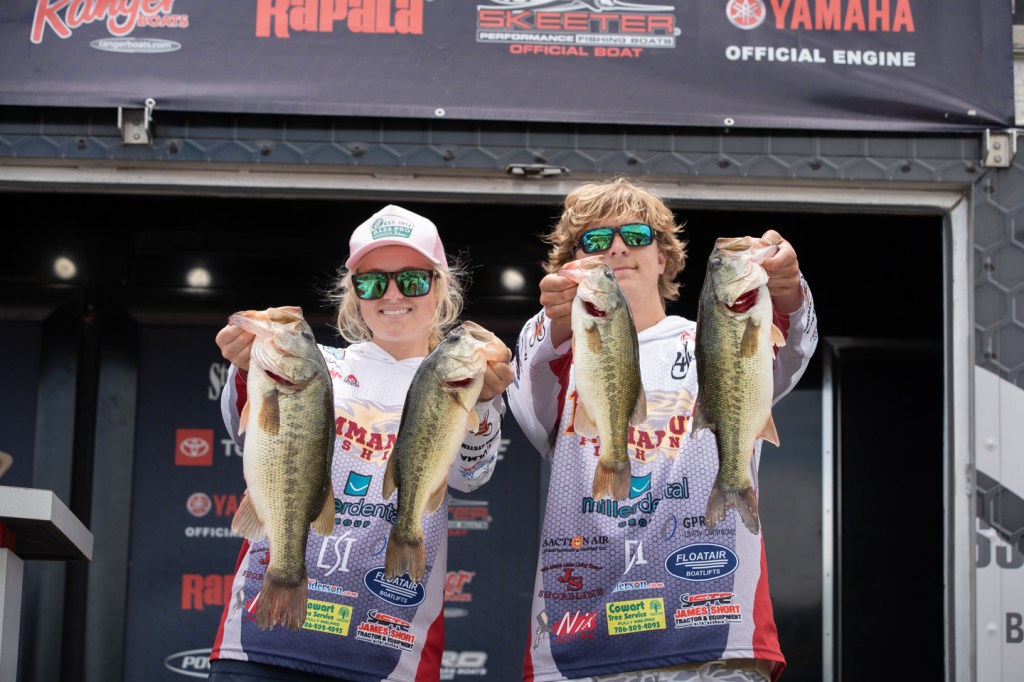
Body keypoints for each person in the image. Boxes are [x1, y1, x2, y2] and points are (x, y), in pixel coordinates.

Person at [507, 178, 818, 682]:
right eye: (595, 240)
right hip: (579, 643)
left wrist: (786, 288)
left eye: (636, 235)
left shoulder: (714, 332)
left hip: (714, 633)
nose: (617, 248)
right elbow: (530, 384)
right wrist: (556, 321)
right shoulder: (557, 348)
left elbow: (795, 342)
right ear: (570, 264)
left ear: (663, 257)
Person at [208, 204, 514, 682]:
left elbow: (469, 477)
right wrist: (248, 366)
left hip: (389, 653)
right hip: (261, 642)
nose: (392, 294)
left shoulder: (463, 375)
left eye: (412, 280)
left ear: (441, 287)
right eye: (371, 283)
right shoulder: (314, 363)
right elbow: (242, 428)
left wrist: (487, 405)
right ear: (353, 294)